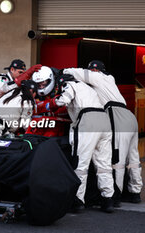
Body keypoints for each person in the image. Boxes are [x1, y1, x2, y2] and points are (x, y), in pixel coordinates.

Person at [62, 60, 143, 205]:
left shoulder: (99, 77)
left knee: (117, 159)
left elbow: (79, 73)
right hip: (129, 116)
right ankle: (135, 192)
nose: (91, 73)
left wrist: (62, 71)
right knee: (133, 158)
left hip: (115, 115)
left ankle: (116, 196)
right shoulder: (109, 80)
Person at [54, 73, 114, 213]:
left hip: (88, 121)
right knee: (104, 164)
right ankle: (108, 199)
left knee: (80, 163)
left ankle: (78, 201)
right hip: (104, 121)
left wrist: (54, 101)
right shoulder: (87, 88)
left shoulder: (69, 85)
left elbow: (62, 101)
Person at [0, 80, 38, 145]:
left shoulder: (12, 93)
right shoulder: (27, 101)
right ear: (31, 91)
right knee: (2, 153)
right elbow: (26, 125)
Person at [31, 66, 70, 137]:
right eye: (38, 84)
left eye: (43, 83)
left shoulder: (63, 86)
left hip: (64, 127)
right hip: (42, 126)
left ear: (50, 79)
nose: (41, 87)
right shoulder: (33, 92)